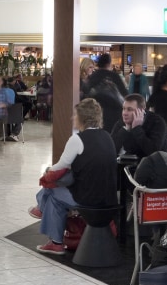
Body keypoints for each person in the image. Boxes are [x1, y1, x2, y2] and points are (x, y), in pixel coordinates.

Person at [29, 98, 118, 255]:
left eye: (75, 115)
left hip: (87, 199)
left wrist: (47, 171)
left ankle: (53, 238)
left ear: (82, 117)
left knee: (52, 193)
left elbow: (59, 167)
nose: (72, 118)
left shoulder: (77, 139)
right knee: (54, 191)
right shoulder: (107, 137)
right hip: (108, 198)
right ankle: (43, 217)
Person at [110, 93, 167, 159]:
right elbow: (110, 150)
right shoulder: (122, 123)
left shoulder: (157, 122)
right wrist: (125, 129)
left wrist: (136, 128)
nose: (124, 113)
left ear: (141, 111)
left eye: (129, 109)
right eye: (123, 109)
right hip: (130, 163)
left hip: (157, 164)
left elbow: (153, 152)